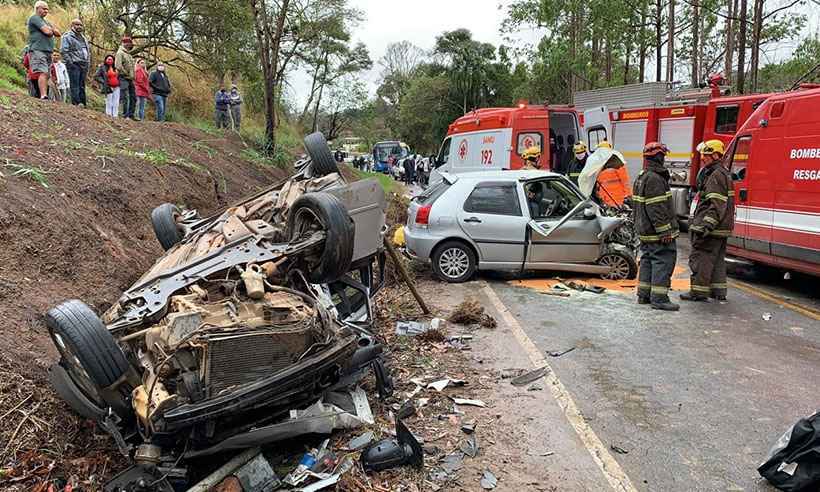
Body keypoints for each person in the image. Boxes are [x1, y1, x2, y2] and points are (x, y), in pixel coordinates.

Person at [681, 139, 735, 302]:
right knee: (717, 260)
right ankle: (718, 291)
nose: (703, 158)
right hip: (721, 227)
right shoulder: (723, 173)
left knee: (701, 258)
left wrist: (706, 225)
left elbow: (716, 203)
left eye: (707, 155)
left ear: (716, 155)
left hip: (711, 228)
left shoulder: (715, 175)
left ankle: (698, 292)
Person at [633, 142, 680, 311]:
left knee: (647, 260)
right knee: (663, 261)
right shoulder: (655, 179)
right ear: (659, 158)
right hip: (655, 232)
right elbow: (657, 208)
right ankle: (659, 298)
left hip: (645, 230)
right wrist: (665, 231)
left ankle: (644, 295)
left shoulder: (642, 176)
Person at [27, 1, 61, 101]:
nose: (46, 11)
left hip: (48, 51)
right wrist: (51, 30)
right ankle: (43, 96)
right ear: (37, 8)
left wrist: (50, 29)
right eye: (44, 9)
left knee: (47, 74)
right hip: (38, 49)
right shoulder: (34, 18)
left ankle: (43, 95)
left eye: (47, 9)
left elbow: (58, 33)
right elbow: (48, 32)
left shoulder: (46, 22)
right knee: (42, 72)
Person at [60, 18, 89, 106]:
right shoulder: (67, 36)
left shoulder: (83, 37)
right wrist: (70, 62)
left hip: (84, 64)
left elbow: (87, 51)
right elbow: (63, 50)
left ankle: (83, 103)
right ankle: (76, 103)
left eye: (80, 25)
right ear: (72, 26)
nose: (79, 26)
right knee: (75, 84)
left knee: (82, 85)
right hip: (74, 64)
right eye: (77, 24)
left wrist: (88, 62)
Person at [115, 36, 136, 119]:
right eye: (129, 43)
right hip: (123, 77)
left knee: (133, 97)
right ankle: (124, 115)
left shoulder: (128, 54)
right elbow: (118, 66)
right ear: (125, 43)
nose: (130, 45)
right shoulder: (120, 53)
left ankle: (131, 115)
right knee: (124, 97)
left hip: (130, 79)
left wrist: (132, 76)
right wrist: (126, 73)